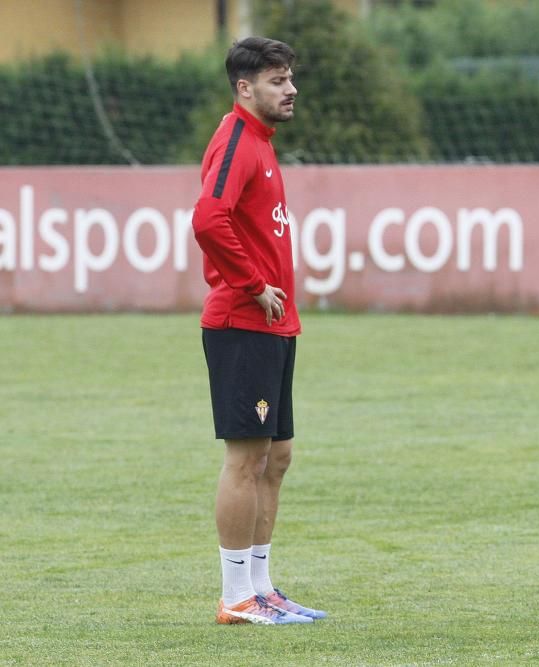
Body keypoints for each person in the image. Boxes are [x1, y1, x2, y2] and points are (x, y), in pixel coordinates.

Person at [192, 36, 326, 625]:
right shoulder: (238, 141)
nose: (290, 88)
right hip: (241, 323)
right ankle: (235, 596)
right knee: (246, 460)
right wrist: (251, 284)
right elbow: (207, 219)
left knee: (276, 458)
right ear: (245, 88)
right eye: (277, 80)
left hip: (273, 327)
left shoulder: (262, 144)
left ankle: (262, 587)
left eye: (290, 77)